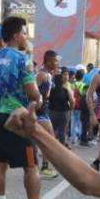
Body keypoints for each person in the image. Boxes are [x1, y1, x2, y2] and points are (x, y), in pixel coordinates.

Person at [0, 15, 54, 199]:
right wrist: (40, 99)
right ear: (15, 35)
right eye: (24, 33)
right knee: (30, 165)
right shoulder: (22, 60)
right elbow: (33, 94)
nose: (26, 37)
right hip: (17, 119)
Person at [34, 51, 62, 179]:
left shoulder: (48, 75)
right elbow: (31, 92)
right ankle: (42, 168)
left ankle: (38, 166)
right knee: (49, 140)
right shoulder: (41, 75)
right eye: (56, 61)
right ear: (50, 61)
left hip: (43, 111)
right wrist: (37, 103)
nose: (58, 63)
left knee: (42, 141)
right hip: (38, 112)